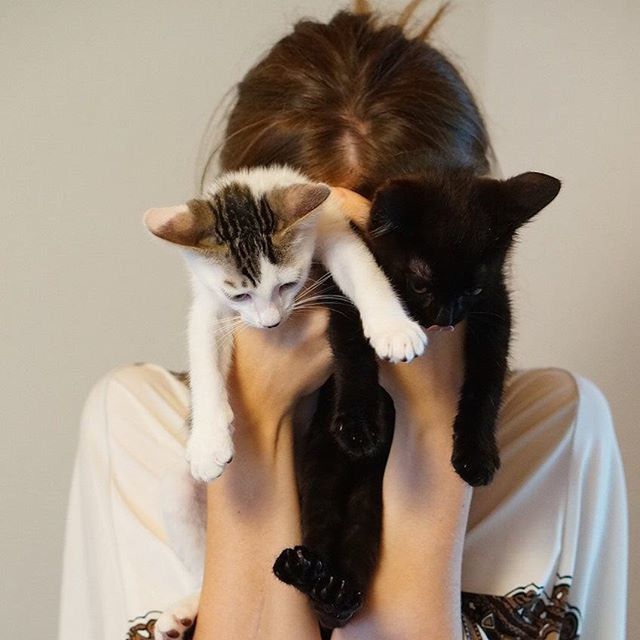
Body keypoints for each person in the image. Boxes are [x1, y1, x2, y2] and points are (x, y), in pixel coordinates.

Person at [59, 4, 628, 639]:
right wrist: (255, 424)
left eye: (375, 270)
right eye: (319, 267)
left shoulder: (554, 433)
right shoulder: (143, 427)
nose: (345, 311)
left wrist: (436, 432)